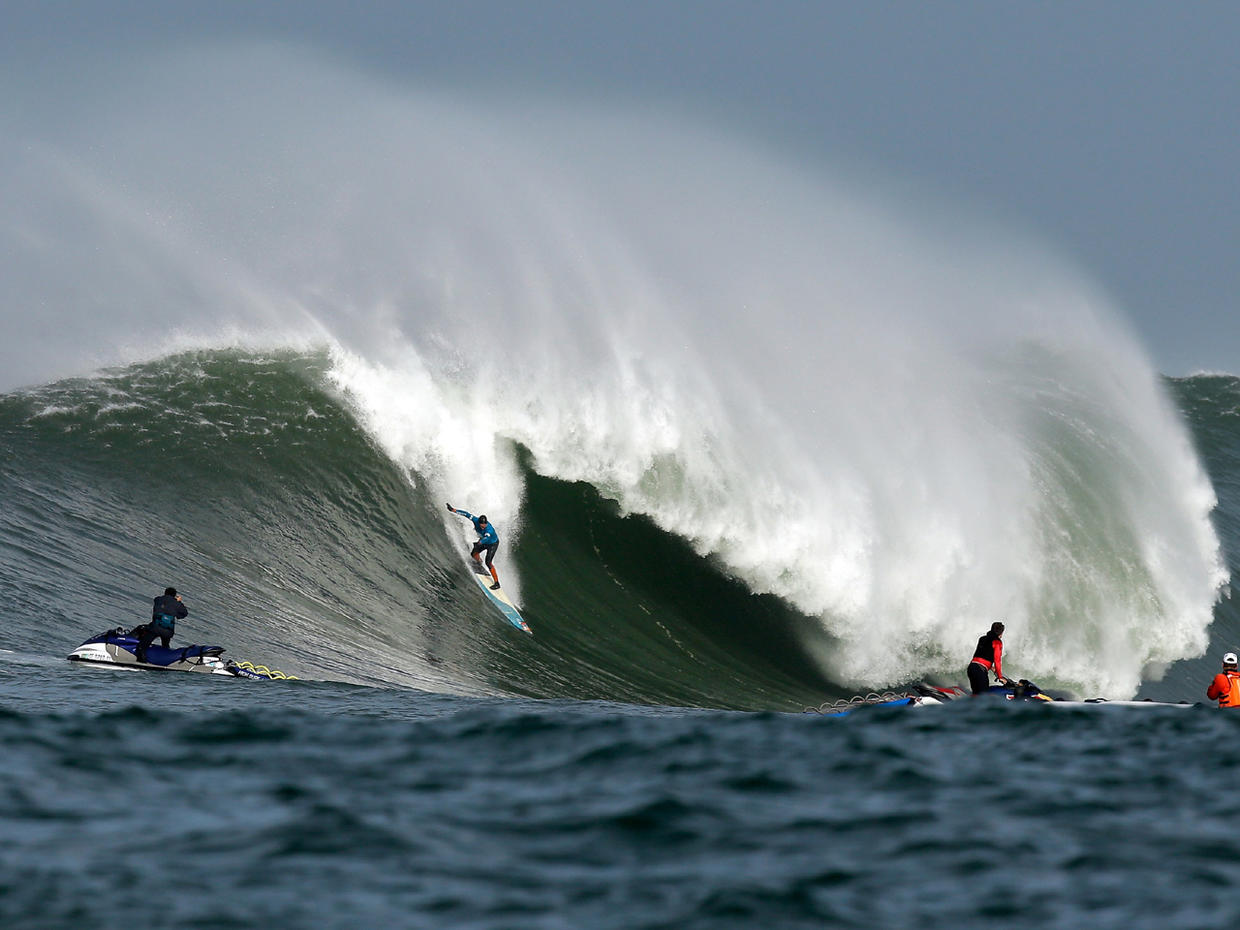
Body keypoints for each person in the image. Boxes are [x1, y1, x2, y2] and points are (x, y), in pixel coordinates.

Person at [446, 503, 502, 589]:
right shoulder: (476, 520)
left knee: (488, 562)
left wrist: (481, 542)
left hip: (492, 544)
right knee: (473, 554)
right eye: (482, 526)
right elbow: (467, 514)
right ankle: (479, 562)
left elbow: (487, 537)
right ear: (479, 523)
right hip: (484, 541)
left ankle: (497, 583)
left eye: (484, 526)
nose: (483, 527)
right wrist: (454, 510)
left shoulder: (489, 529)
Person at [134, 587, 188, 663]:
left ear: (165, 593)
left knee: (143, 645)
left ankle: (141, 660)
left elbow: (156, 600)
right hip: (168, 631)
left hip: (155, 628)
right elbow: (184, 613)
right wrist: (178, 602)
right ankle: (164, 660)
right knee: (165, 645)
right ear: (174, 595)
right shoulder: (177, 604)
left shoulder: (158, 599)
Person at [968, 621, 1010, 695]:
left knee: (976, 694)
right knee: (984, 696)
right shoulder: (997, 643)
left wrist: (990, 666)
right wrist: (1000, 677)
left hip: (972, 667)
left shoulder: (982, 638)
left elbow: (980, 656)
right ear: (1001, 633)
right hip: (980, 670)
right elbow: (997, 661)